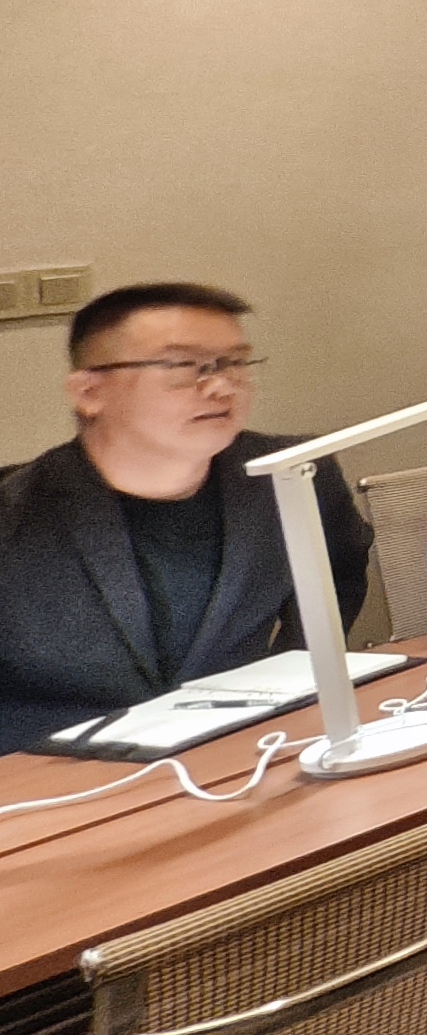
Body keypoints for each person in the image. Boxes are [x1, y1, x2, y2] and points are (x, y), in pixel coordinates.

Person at [0, 283, 373, 752]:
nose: (220, 386)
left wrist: (290, 682)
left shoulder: (292, 474)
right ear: (90, 391)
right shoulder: (15, 514)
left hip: (242, 750)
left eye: (234, 363)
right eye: (182, 367)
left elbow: (338, 579)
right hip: (51, 772)